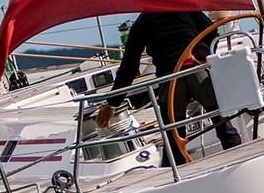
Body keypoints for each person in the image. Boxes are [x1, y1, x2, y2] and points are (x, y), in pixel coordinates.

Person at [94, 11, 242, 166]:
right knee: (224, 126)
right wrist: (202, 54)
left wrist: (112, 103)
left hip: (171, 79)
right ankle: (239, 161)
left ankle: (176, 178)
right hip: (197, 71)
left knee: (174, 142)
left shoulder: (143, 21)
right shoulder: (185, 8)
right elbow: (212, 34)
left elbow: (129, 68)